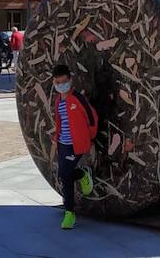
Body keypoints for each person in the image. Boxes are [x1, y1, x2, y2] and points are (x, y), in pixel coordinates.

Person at [51, 64, 97, 230]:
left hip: (76, 144)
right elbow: (60, 121)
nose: (61, 85)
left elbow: (92, 118)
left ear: (70, 80)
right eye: (58, 82)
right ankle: (83, 174)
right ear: (54, 82)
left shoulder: (77, 98)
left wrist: (88, 137)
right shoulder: (58, 101)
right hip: (63, 143)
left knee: (64, 174)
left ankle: (69, 213)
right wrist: (57, 138)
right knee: (66, 175)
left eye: (64, 81)